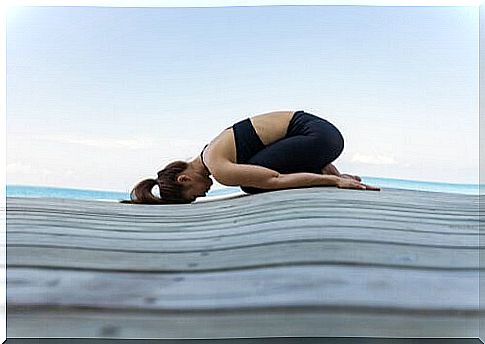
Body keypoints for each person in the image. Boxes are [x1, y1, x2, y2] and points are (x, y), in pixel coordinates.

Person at [121, 110, 381, 204]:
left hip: (319, 136)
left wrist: (335, 183)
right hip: (322, 134)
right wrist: (335, 173)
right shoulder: (211, 150)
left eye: (194, 195)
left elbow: (276, 179)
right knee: (255, 172)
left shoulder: (219, 166)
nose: (203, 195)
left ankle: (329, 176)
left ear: (183, 179)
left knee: (252, 182)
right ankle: (329, 173)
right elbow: (285, 151)